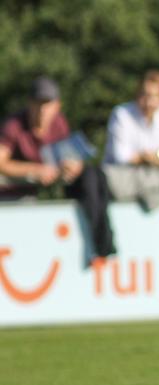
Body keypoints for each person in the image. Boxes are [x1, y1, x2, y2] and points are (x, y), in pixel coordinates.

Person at [0, 76, 116, 257]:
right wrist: (34, 170)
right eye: (39, 103)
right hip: (15, 190)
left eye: (48, 104)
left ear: (57, 106)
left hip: (50, 187)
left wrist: (72, 166)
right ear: (29, 103)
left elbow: (67, 157)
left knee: (93, 176)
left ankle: (102, 243)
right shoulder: (13, 126)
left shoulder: (59, 123)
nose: (43, 110)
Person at [103, 70, 159, 209]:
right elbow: (121, 156)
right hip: (121, 180)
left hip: (156, 176)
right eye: (143, 95)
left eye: (153, 96)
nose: (148, 102)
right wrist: (152, 157)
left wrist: (150, 156)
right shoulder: (122, 113)